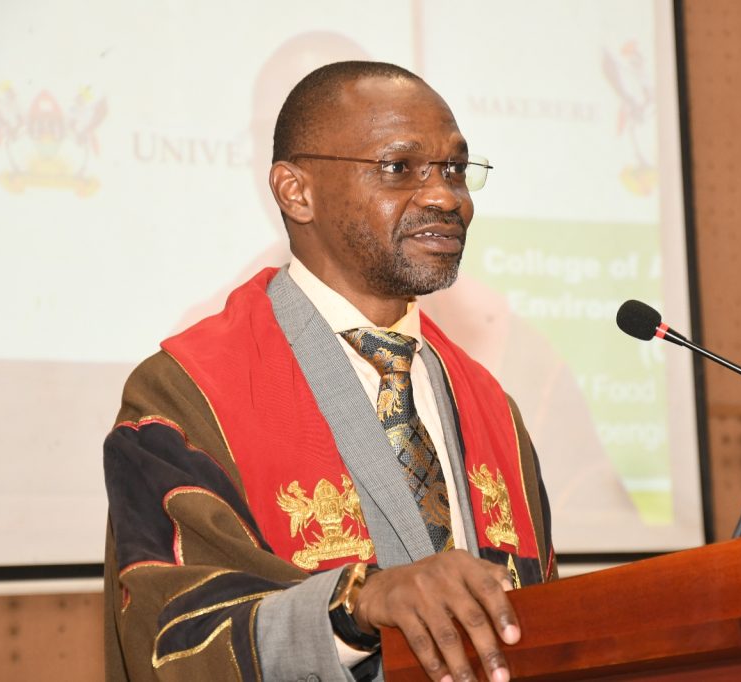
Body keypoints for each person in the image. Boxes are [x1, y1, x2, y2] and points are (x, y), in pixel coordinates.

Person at [103, 61, 556, 682]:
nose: (445, 196)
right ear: (296, 191)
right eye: (400, 168)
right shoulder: (186, 396)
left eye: (454, 168)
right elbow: (175, 637)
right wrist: (358, 604)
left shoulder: (491, 407)